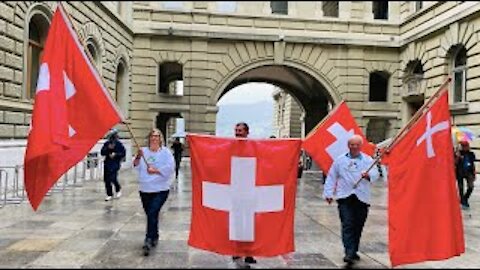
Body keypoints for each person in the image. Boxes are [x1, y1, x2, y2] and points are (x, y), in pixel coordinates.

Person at [323, 135, 379, 266]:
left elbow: (376, 174)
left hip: (362, 198)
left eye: (357, 145)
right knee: (347, 224)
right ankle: (349, 252)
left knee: (358, 225)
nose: (354, 147)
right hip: (345, 197)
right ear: (348, 146)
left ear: (361, 146)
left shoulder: (367, 160)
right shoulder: (340, 160)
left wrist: (368, 176)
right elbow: (331, 176)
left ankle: (353, 250)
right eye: (352, 145)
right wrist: (329, 193)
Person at [133, 128, 175, 256]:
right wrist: (138, 157)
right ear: (149, 138)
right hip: (145, 189)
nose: (154, 138)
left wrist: (156, 171)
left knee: (152, 212)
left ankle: (148, 240)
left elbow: (170, 168)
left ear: (160, 138)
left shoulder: (166, 153)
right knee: (151, 215)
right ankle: (155, 234)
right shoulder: (143, 151)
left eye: (157, 136)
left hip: (161, 189)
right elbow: (135, 165)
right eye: (152, 136)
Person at [231, 122, 257, 268]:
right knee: (238, 223)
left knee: (249, 224)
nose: (237, 133)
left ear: (247, 132)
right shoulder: (230, 146)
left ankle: (249, 252)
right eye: (236, 130)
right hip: (236, 193)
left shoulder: (253, 147)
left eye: (240, 130)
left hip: (250, 193)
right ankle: (237, 250)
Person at [100, 129, 126, 201]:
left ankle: (118, 189)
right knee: (106, 180)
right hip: (107, 163)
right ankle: (109, 194)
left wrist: (116, 155)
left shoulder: (119, 144)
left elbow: (123, 153)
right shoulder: (107, 144)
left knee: (113, 178)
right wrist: (108, 149)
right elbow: (102, 152)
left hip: (115, 164)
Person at [455, 140, 476, 209]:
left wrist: (474, 173)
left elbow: (472, 164)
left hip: (469, 172)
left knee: (471, 186)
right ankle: (463, 201)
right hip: (460, 172)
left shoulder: (471, 154)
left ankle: (465, 198)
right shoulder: (457, 153)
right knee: (461, 188)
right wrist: (458, 157)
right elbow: (455, 163)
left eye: (467, 146)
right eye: (464, 146)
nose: (466, 147)